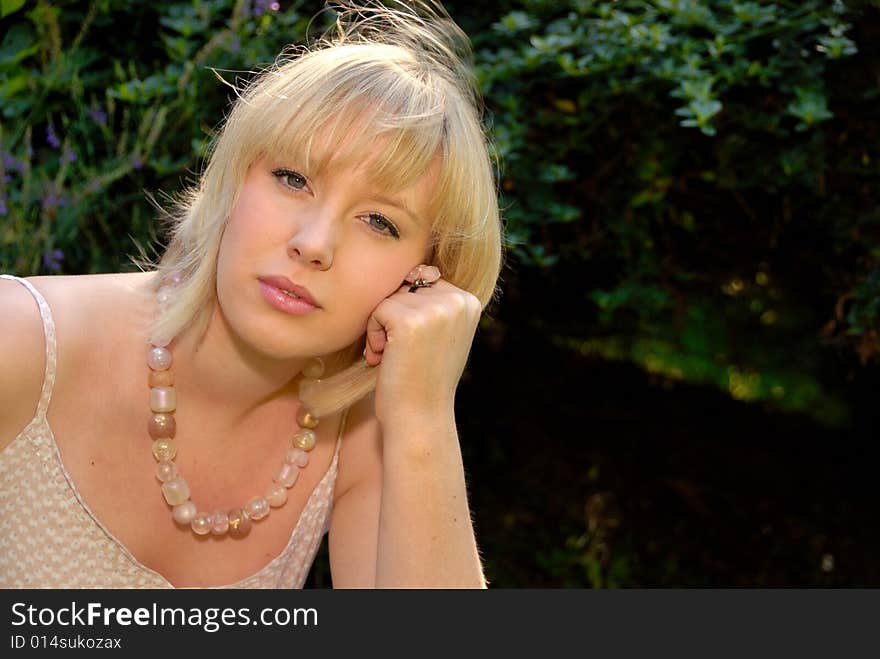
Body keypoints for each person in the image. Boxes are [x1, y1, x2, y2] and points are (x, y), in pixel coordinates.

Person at [0, 0, 503, 588]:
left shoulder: (363, 435)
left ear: (424, 279)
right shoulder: (21, 344)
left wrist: (423, 418)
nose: (314, 243)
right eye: (293, 179)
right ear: (232, 178)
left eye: (378, 221)